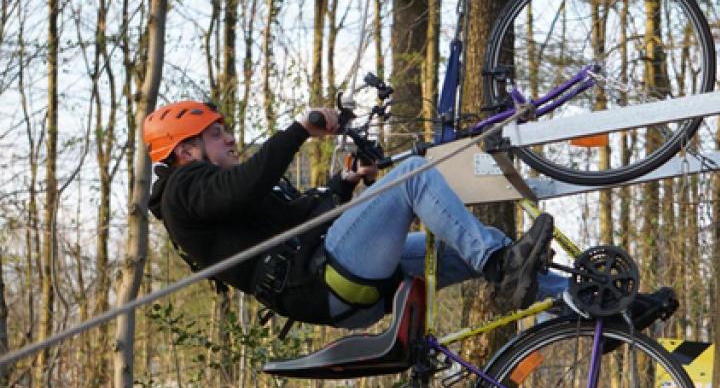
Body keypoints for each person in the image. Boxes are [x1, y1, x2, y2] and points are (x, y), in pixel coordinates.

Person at [146, 100, 563, 329]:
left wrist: (344, 185)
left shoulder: (213, 198)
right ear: (185, 151)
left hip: (333, 284)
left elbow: (297, 219)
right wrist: (299, 130)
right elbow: (246, 186)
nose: (231, 139)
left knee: (473, 243)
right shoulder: (182, 191)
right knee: (414, 177)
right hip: (321, 280)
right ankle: (499, 264)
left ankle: (579, 303)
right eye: (216, 134)